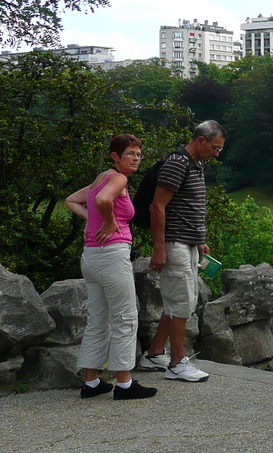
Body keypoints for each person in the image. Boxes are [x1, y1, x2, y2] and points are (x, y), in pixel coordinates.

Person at [64, 134, 158, 400]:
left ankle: (92, 382)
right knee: (125, 317)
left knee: (98, 318)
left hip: (91, 257)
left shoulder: (101, 177)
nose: (136, 158)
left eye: (139, 154)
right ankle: (125, 383)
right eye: (130, 153)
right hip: (112, 255)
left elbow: (71, 200)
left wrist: (92, 221)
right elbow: (104, 200)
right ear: (115, 156)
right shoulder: (118, 179)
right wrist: (107, 222)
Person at [141, 120, 226, 382]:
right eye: (215, 147)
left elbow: (188, 206)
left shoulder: (195, 165)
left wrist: (199, 240)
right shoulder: (178, 164)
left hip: (187, 243)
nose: (217, 153)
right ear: (200, 140)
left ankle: (155, 352)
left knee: (179, 299)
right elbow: (157, 207)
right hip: (174, 243)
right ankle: (177, 363)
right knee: (181, 303)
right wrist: (159, 249)